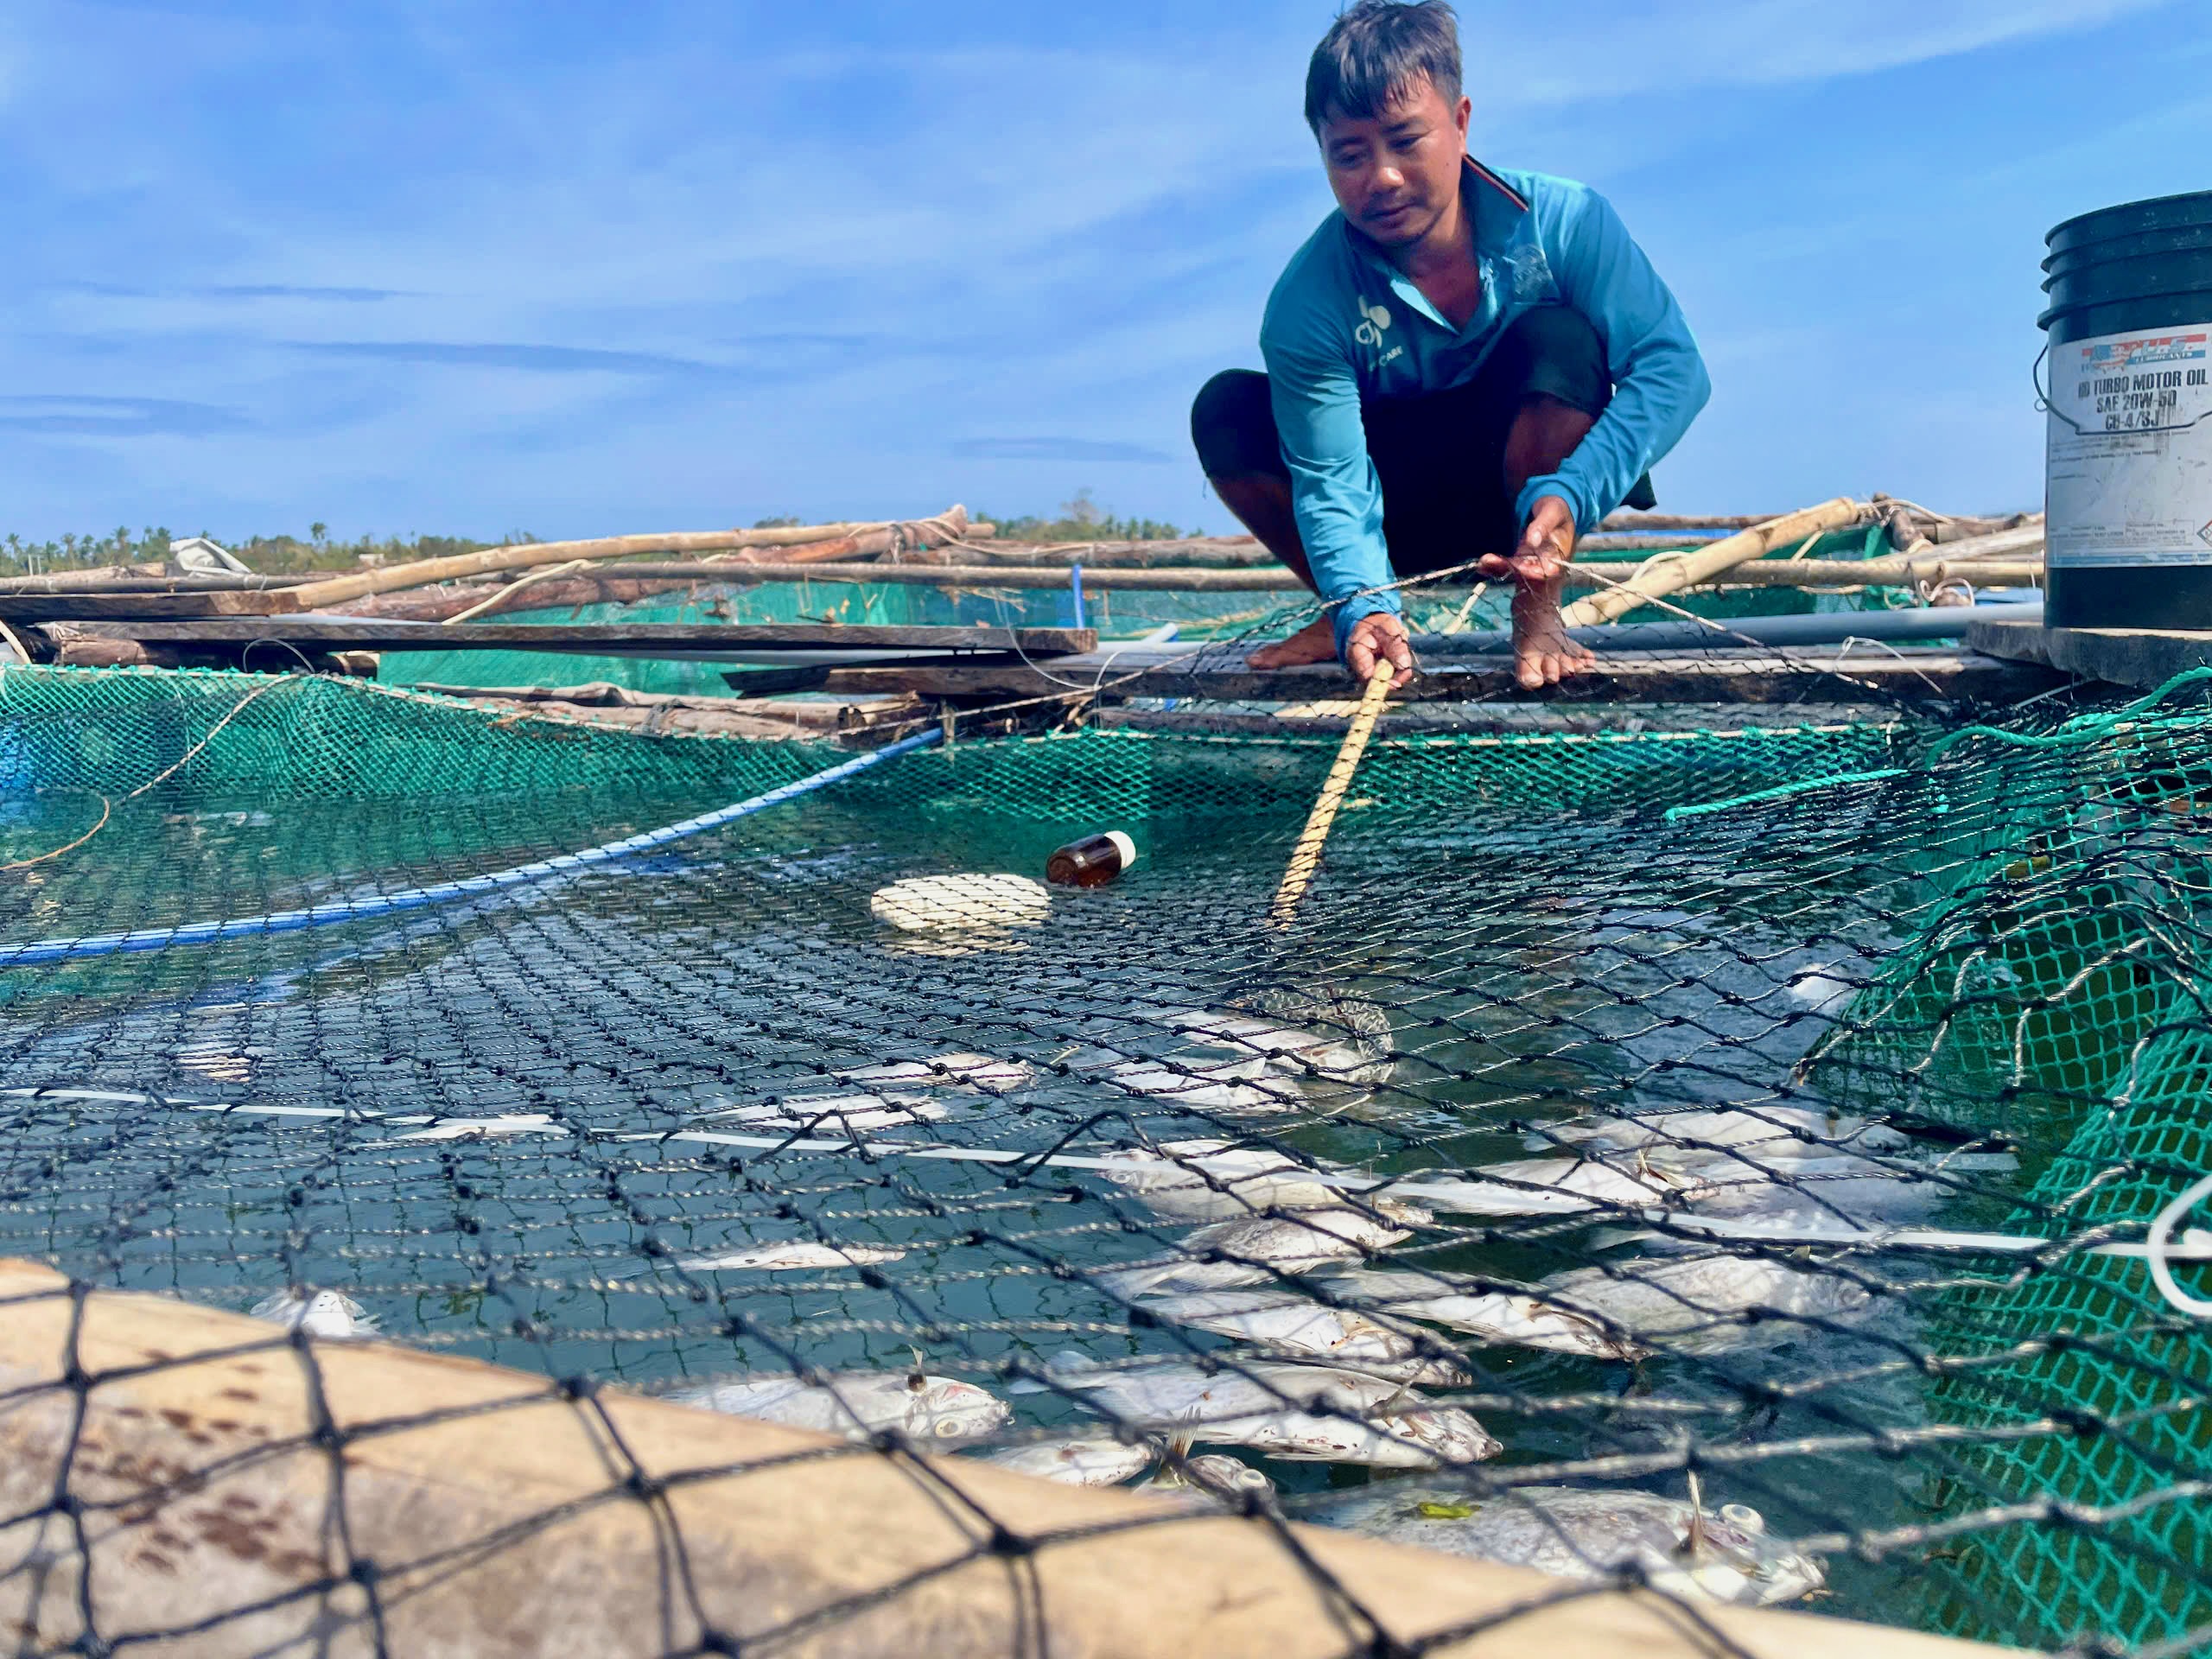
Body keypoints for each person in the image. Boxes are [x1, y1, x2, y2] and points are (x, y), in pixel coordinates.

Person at [1191, 0, 1710, 691]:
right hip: (1392, 517)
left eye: (1406, 140)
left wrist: (1571, 497)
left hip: (1531, 505)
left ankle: (1538, 611)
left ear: (1460, 123)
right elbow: (1332, 478)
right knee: (1226, 409)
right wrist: (1360, 602)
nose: (1382, 177)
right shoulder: (1307, 302)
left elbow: (1674, 368)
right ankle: (1347, 605)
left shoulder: (1567, 221)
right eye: (1350, 154)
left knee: (1558, 337)